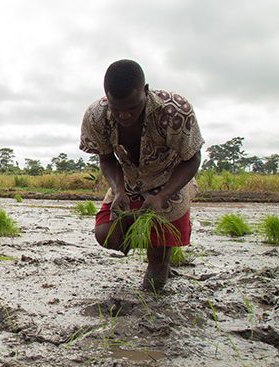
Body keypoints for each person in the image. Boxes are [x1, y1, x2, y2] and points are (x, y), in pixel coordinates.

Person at [79, 59, 203, 291]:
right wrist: (118, 190)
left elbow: (192, 159)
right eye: (117, 110)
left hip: (169, 179)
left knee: (155, 277)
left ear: (146, 91)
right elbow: (106, 158)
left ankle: (160, 261)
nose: (125, 116)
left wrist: (162, 196)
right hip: (129, 180)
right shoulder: (96, 116)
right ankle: (151, 242)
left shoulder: (175, 111)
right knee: (106, 234)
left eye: (132, 108)